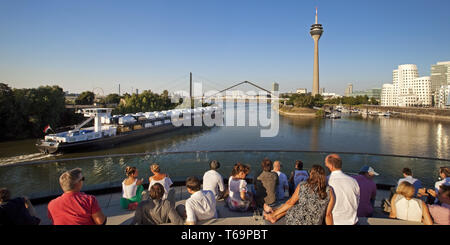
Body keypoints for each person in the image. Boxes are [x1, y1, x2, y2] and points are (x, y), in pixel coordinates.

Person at [263, 165, 335, 225]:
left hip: (297, 220)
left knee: (293, 205)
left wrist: (274, 214)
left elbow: (290, 203)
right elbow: (328, 215)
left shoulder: (303, 185)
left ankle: (273, 214)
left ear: (311, 174)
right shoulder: (329, 190)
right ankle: (274, 213)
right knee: (295, 206)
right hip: (315, 222)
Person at [325, 154, 360, 225]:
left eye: (326, 165)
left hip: (332, 222)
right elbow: (357, 201)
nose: (326, 166)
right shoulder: (353, 181)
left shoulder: (326, 181)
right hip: (352, 222)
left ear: (331, 166)